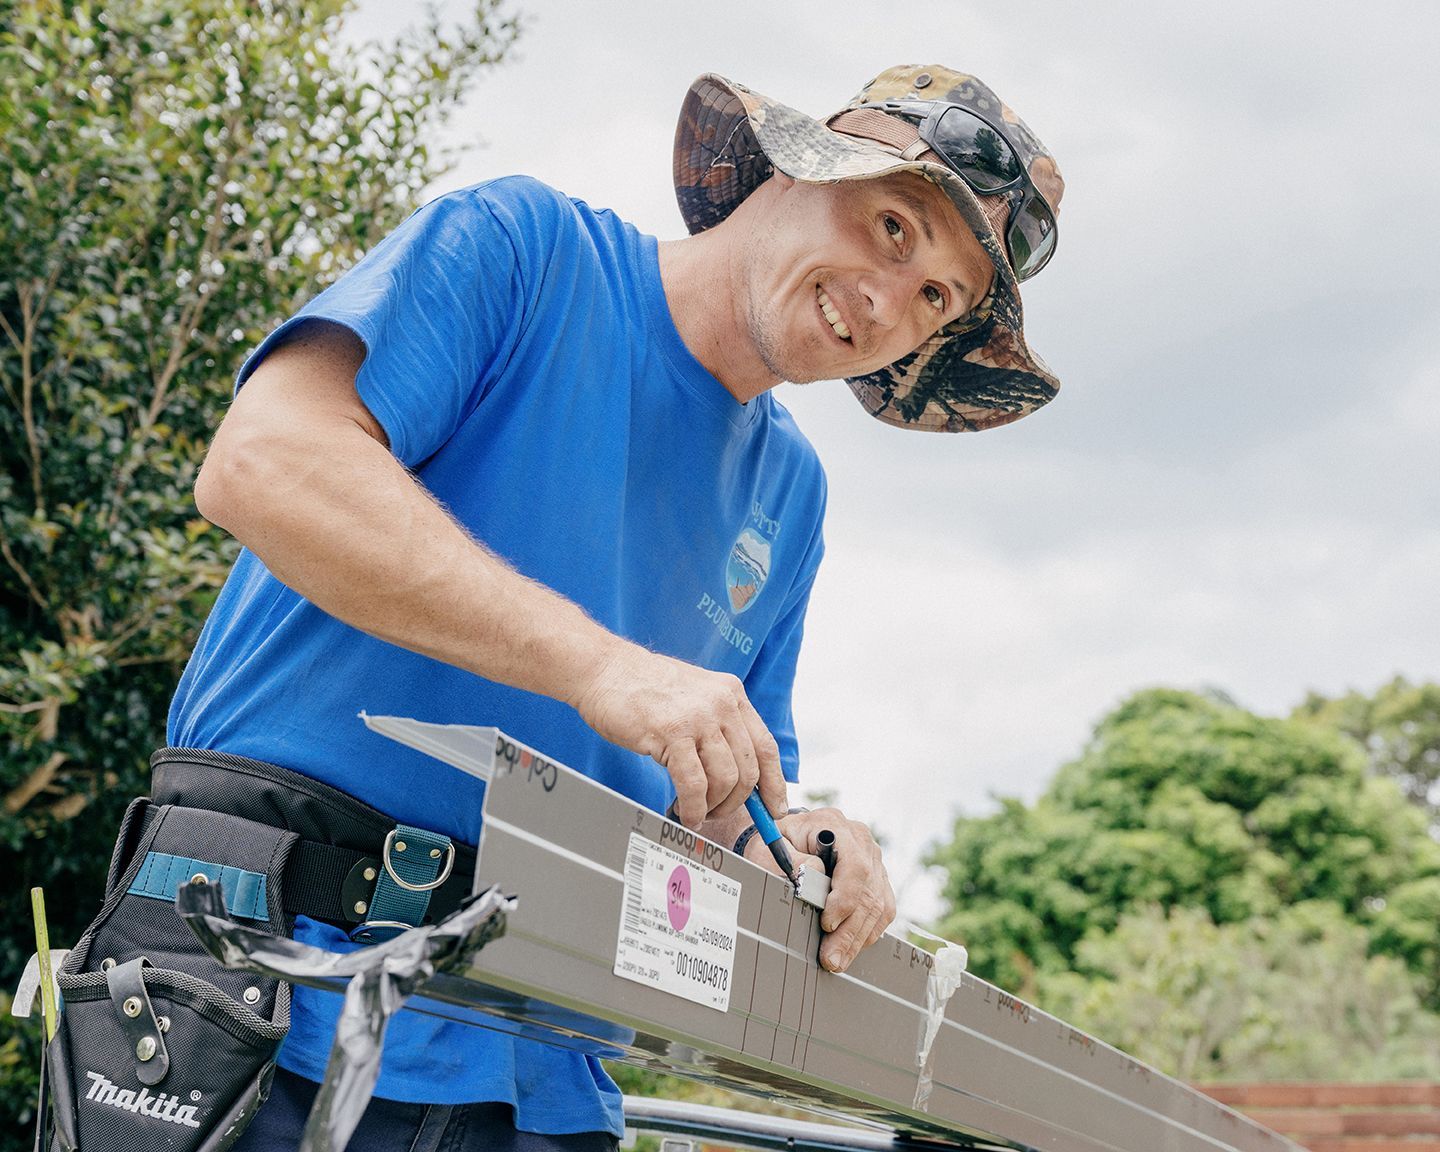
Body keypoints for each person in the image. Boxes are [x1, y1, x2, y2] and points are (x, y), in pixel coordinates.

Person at [170, 64, 1064, 1151]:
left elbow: (726, 800)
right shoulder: (525, 251)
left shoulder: (790, 491)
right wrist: (599, 665)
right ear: (795, 169)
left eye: (939, 299)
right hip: (267, 992)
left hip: (542, 1074)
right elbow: (263, 464)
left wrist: (806, 844)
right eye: (892, 227)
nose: (891, 299)